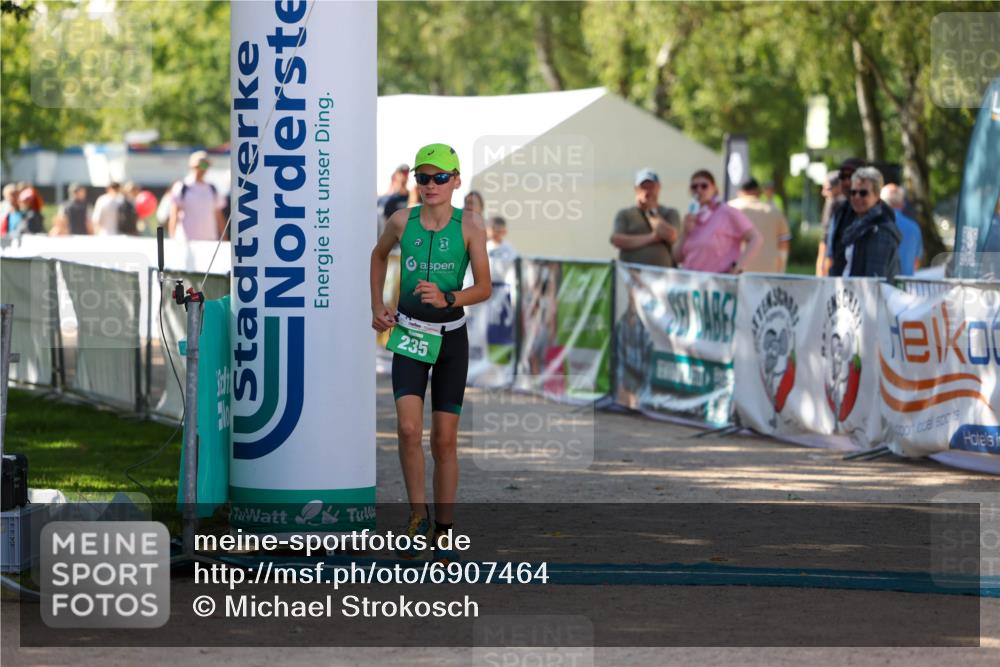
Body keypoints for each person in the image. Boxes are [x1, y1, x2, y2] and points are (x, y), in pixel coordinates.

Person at [369, 143, 491, 564]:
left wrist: (448, 297)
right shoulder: (401, 221)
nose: (430, 184)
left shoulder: (470, 225)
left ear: (456, 181)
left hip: (451, 340)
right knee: (407, 430)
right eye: (423, 177)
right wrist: (377, 306)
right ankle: (417, 516)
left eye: (440, 177)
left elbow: (484, 287)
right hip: (410, 336)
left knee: (444, 440)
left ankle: (445, 528)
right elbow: (378, 256)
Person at [675, 170, 762, 274]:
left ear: (714, 188)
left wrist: (737, 266)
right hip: (691, 280)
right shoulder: (691, 216)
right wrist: (684, 233)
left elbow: (756, 238)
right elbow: (677, 258)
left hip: (717, 281)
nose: (699, 190)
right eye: (694, 187)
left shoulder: (727, 212)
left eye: (704, 186)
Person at [830, 166, 900, 278]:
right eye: (853, 192)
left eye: (863, 193)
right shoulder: (855, 225)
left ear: (877, 195)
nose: (857, 197)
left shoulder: (880, 230)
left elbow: (874, 279)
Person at [609, 168, 680, 267]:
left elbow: (671, 236)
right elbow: (617, 240)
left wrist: (651, 211)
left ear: (658, 188)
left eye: (651, 187)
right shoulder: (625, 214)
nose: (647, 191)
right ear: (636, 189)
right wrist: (652, 238)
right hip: (631, 273)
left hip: (662, 273)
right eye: (643, 187)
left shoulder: (670, 213)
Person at [729, 178, 791, 273]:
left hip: (736, 270)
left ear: (740, 192)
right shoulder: (774, 211)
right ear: (757, 191)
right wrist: (781, 269)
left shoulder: (729, 209)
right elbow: (784, 243)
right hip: (769, 270)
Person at [168, 150, 225, 241]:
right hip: (186, 242)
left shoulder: (212, 189)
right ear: (192, 166)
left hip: (209, 241)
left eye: (206, 165)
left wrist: (224, 237)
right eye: (201, 165)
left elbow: (218, 215)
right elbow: (174, 214)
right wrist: (172, 237)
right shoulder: (181, 187)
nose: (203, 169)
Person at [822, 157, 866, 277]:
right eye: (842, 177)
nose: (846, 182)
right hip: (839, 282)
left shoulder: (877, 212)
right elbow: (831, 252)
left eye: (851, 176)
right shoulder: (839, 210)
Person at [880, 184, 923, 275]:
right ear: (902, 204)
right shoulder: (914, 228)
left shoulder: (877, 224)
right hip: (905, 282)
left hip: (879, 281)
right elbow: (916, 262)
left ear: (881, 203)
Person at [377, 164, 411, 234]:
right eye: (402, 173)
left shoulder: (413, 197)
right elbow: (385, 223)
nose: (404, 176)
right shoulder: (390, 200)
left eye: (406, 173)